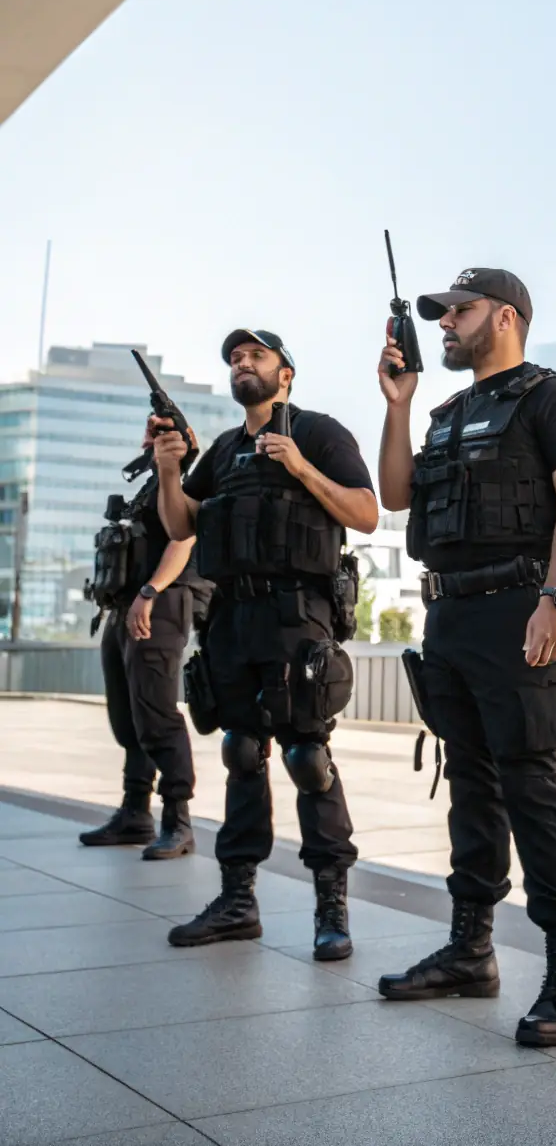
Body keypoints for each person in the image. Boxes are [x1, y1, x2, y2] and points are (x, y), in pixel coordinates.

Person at [375, 267, 556, 1048]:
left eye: (457, 311)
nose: (442, 324)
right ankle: (471, 948)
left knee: (531, 784)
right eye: (439, 313)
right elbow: (396, 494)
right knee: (470, 784)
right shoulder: (442, 411)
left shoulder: (550, 396)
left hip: (517, 607)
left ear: (504, 316)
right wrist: (398, 407)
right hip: (450, 616)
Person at [153, 329, 378, 961]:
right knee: (241, 750)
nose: (241, 363)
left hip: (298, 614)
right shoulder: (223, 450)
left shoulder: (319, 431)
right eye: (234, 358)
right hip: (231, 618)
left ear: (286, 374)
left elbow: (367, 512)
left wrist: (299, 465)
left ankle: (332, 909)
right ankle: (237, 902)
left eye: (255, 355)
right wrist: (170, 469)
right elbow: (179, 525)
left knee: (307, 755)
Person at [80, 420, 208, 859]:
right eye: (147, 433)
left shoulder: (186, 480)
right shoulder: (147, 487)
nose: (146, 440)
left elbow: (184, 539)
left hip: (160, 603)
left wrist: (151, 592)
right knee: (127, 714)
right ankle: (135, 811)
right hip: (123, 606)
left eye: (157, 434)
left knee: (156, 712)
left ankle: (178, 820)